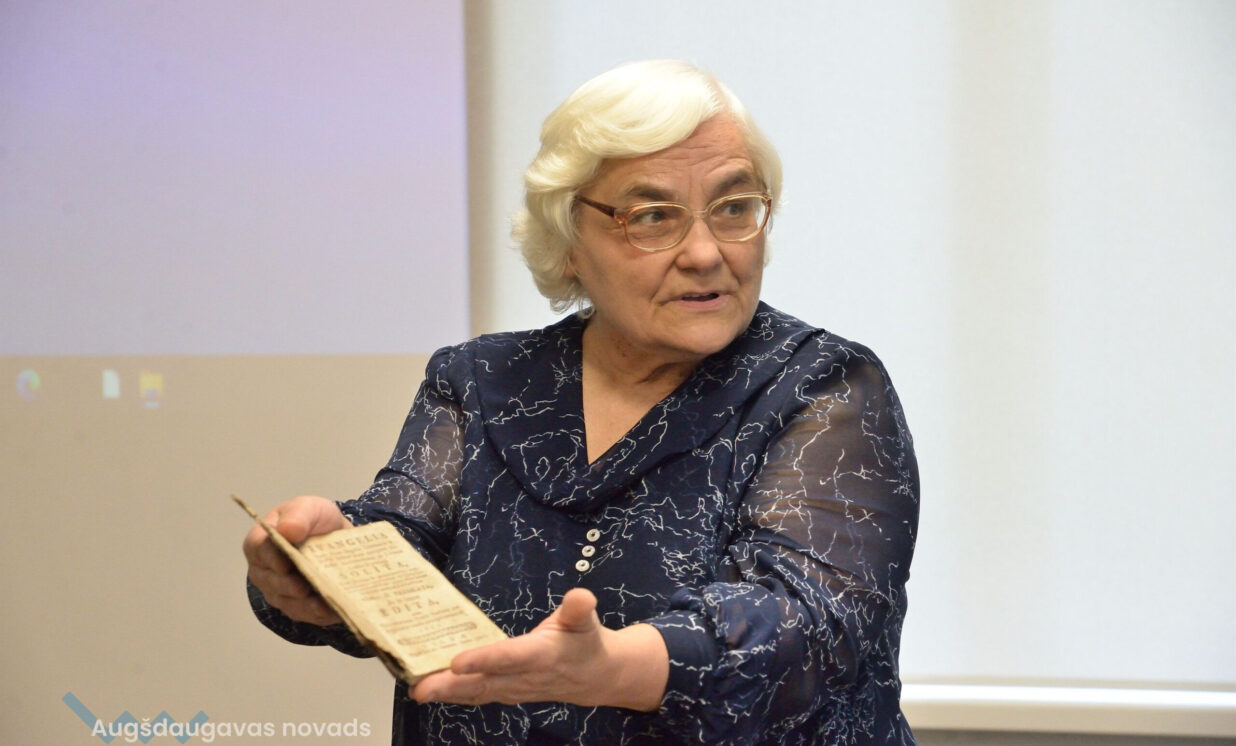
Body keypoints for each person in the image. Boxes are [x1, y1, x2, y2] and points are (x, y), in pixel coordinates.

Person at [243, 59, 919, 746]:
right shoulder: (481, 380)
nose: (705, 252)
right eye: (652, 217)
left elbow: (806, 627)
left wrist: (612, 668)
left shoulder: (825, 385)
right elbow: (402, 541)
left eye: (734, 208)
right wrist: (323, 565)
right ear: (568, 242)